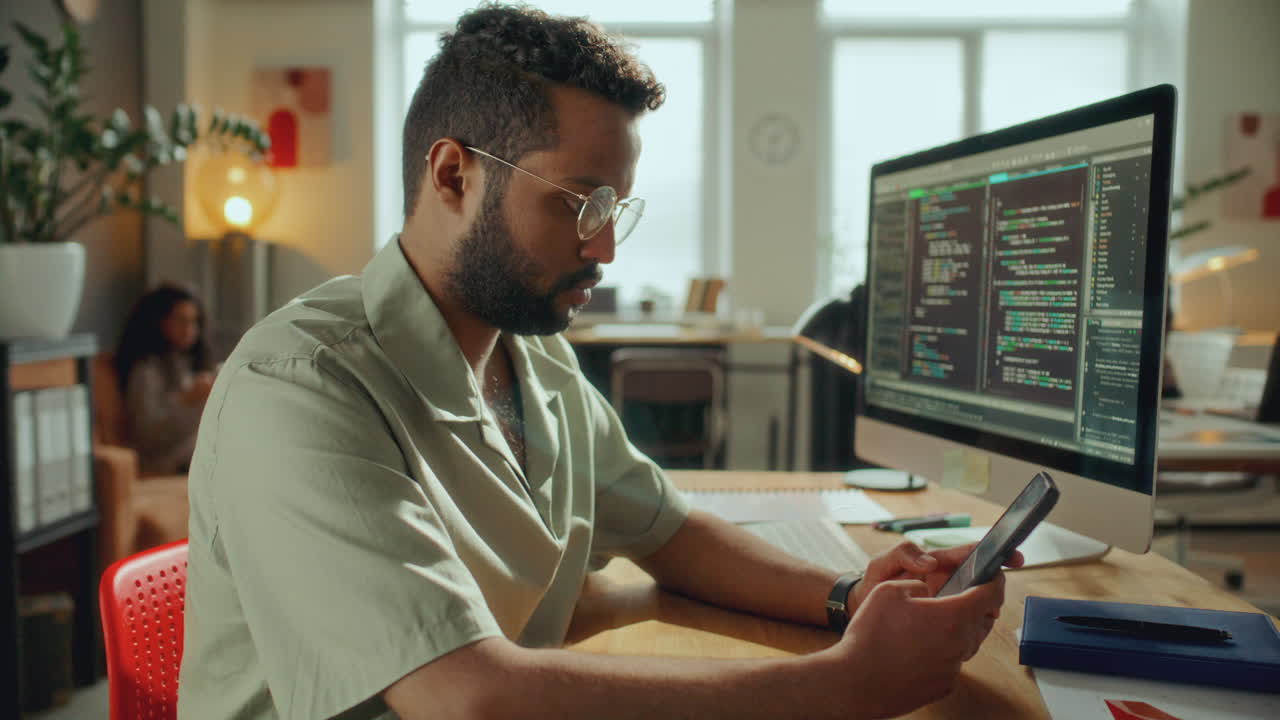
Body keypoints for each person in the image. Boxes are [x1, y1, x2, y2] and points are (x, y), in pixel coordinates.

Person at [177, 5, 1020, 719]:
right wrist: (842, 686)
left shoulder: (532, 357)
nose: (607, 247)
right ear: (453, 174)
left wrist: (848, 594)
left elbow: (670, 530)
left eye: (616, 207)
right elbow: (466, 697)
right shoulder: (300, 388)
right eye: (579, 203)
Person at [114, 284, 215, 475]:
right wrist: (187, 400)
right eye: (181, 320)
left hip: (193, 448)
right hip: (164, 458)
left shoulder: (189, 362)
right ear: (159, 321)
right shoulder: (145, 370)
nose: (189, 329)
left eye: (194, 321)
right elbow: (148, 435)